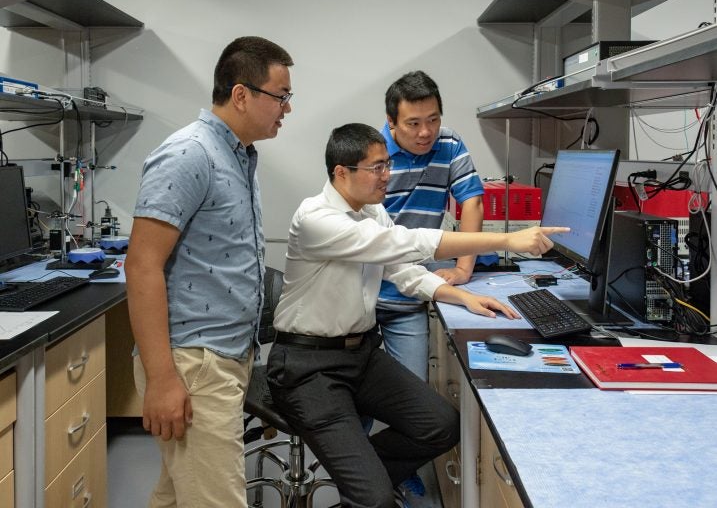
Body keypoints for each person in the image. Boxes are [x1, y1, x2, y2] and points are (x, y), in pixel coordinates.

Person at [266, 123, 567, 508]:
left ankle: (363, 484)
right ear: (341, 172)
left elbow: (402, 268)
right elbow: (407, 242)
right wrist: (508, 239)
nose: (386, 175)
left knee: (441, 426)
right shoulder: (316, 218)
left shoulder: (372, 211)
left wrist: (458, 295)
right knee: (375, 498)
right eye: (376, 167)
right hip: (307, 367)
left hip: (360, 355)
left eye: (386, 164)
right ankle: (367, 490)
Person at [124, 36, 293, 508]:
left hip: (222, 357)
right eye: (281, 96)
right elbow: (141, 266)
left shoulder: (237, 155)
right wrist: (162, 379)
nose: (287, 108)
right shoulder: (189, 153)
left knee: (177, 494)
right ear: (242, 95)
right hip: (193, 364)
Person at [377, 70, 484, 496]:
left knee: (412, 398)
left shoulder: (451, 143)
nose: (426, 132)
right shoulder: (371, 154)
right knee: (354, 398)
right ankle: (360, 479)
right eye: (413, 123)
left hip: (412, 293)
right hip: (362, 295)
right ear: (391, 122)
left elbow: (471, 201)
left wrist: (463, 268)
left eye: (433, 120)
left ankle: (398, 473)